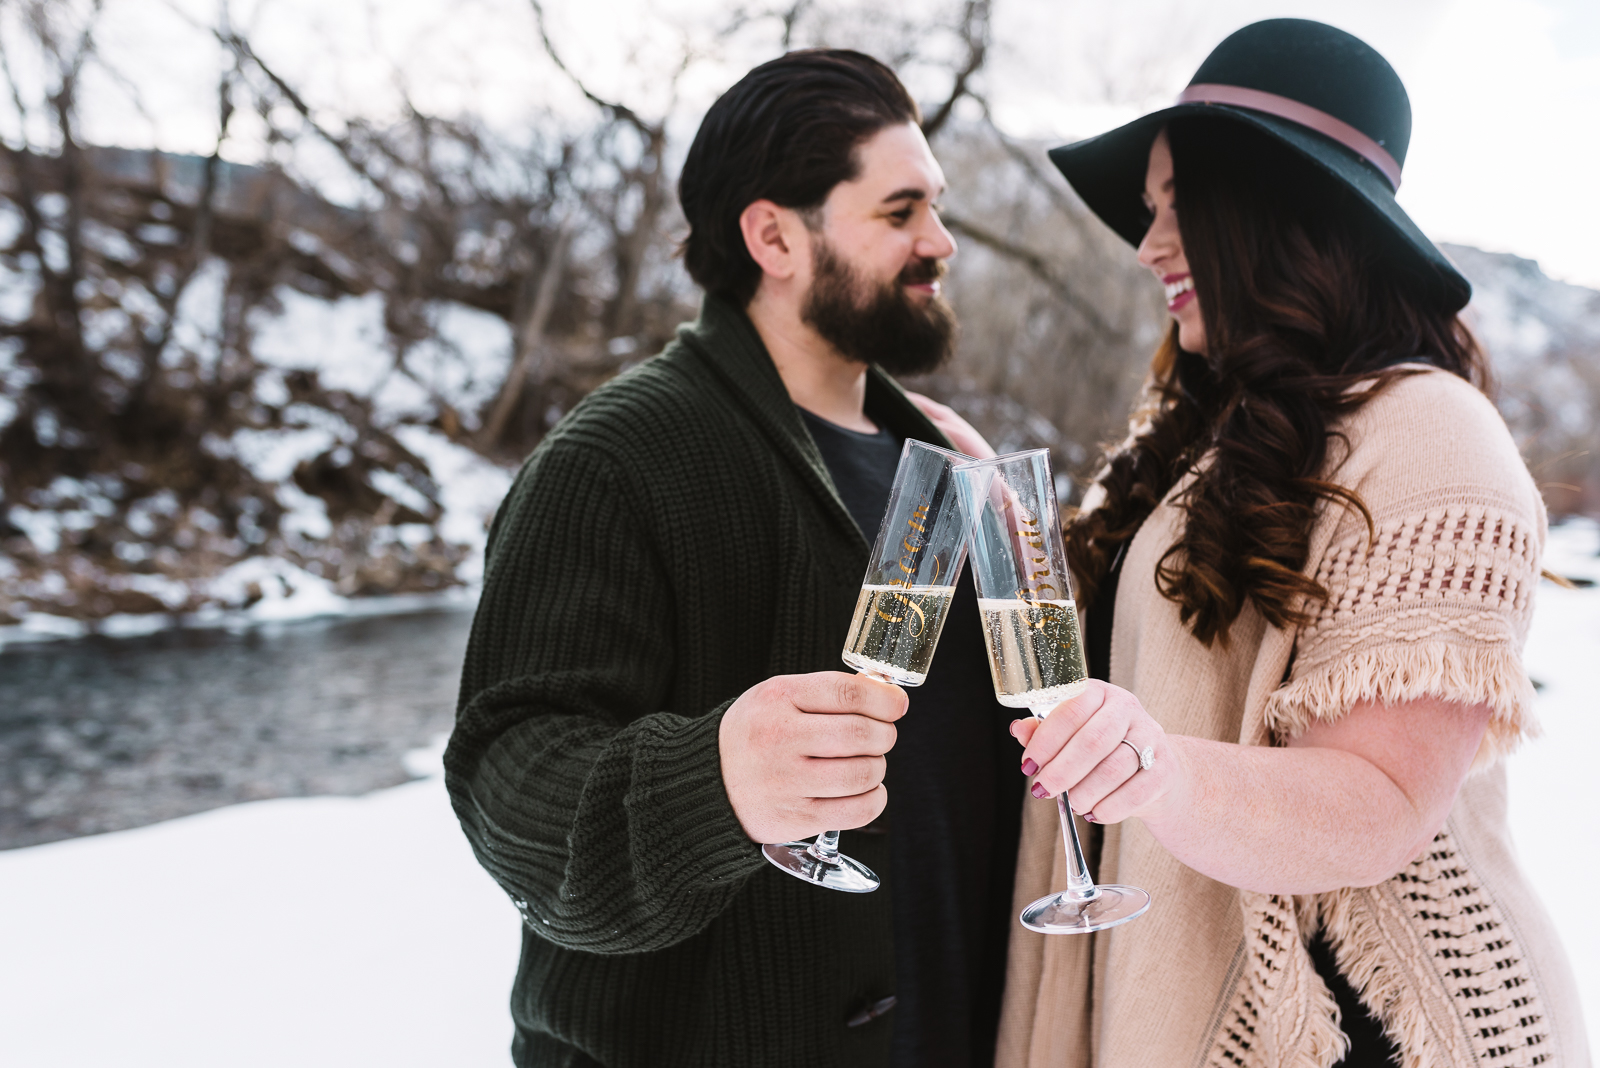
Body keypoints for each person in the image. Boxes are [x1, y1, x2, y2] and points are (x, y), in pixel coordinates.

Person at [987, 19, 1590, 1068]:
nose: (1149, 246)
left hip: (1358, 1024)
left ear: (1271, 209)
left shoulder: (1428, 430)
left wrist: (1158, 772)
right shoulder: (1213, 439)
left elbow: (1381, 801)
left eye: (1178, 205)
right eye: (1150, 212)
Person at [444, 49, 1022, 1068]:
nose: (938, 242)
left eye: (934, 207)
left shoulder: (942, 473)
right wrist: (712, 781)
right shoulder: (614, 457)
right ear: (773, 236)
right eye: (898, 213)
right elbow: (508, 782)